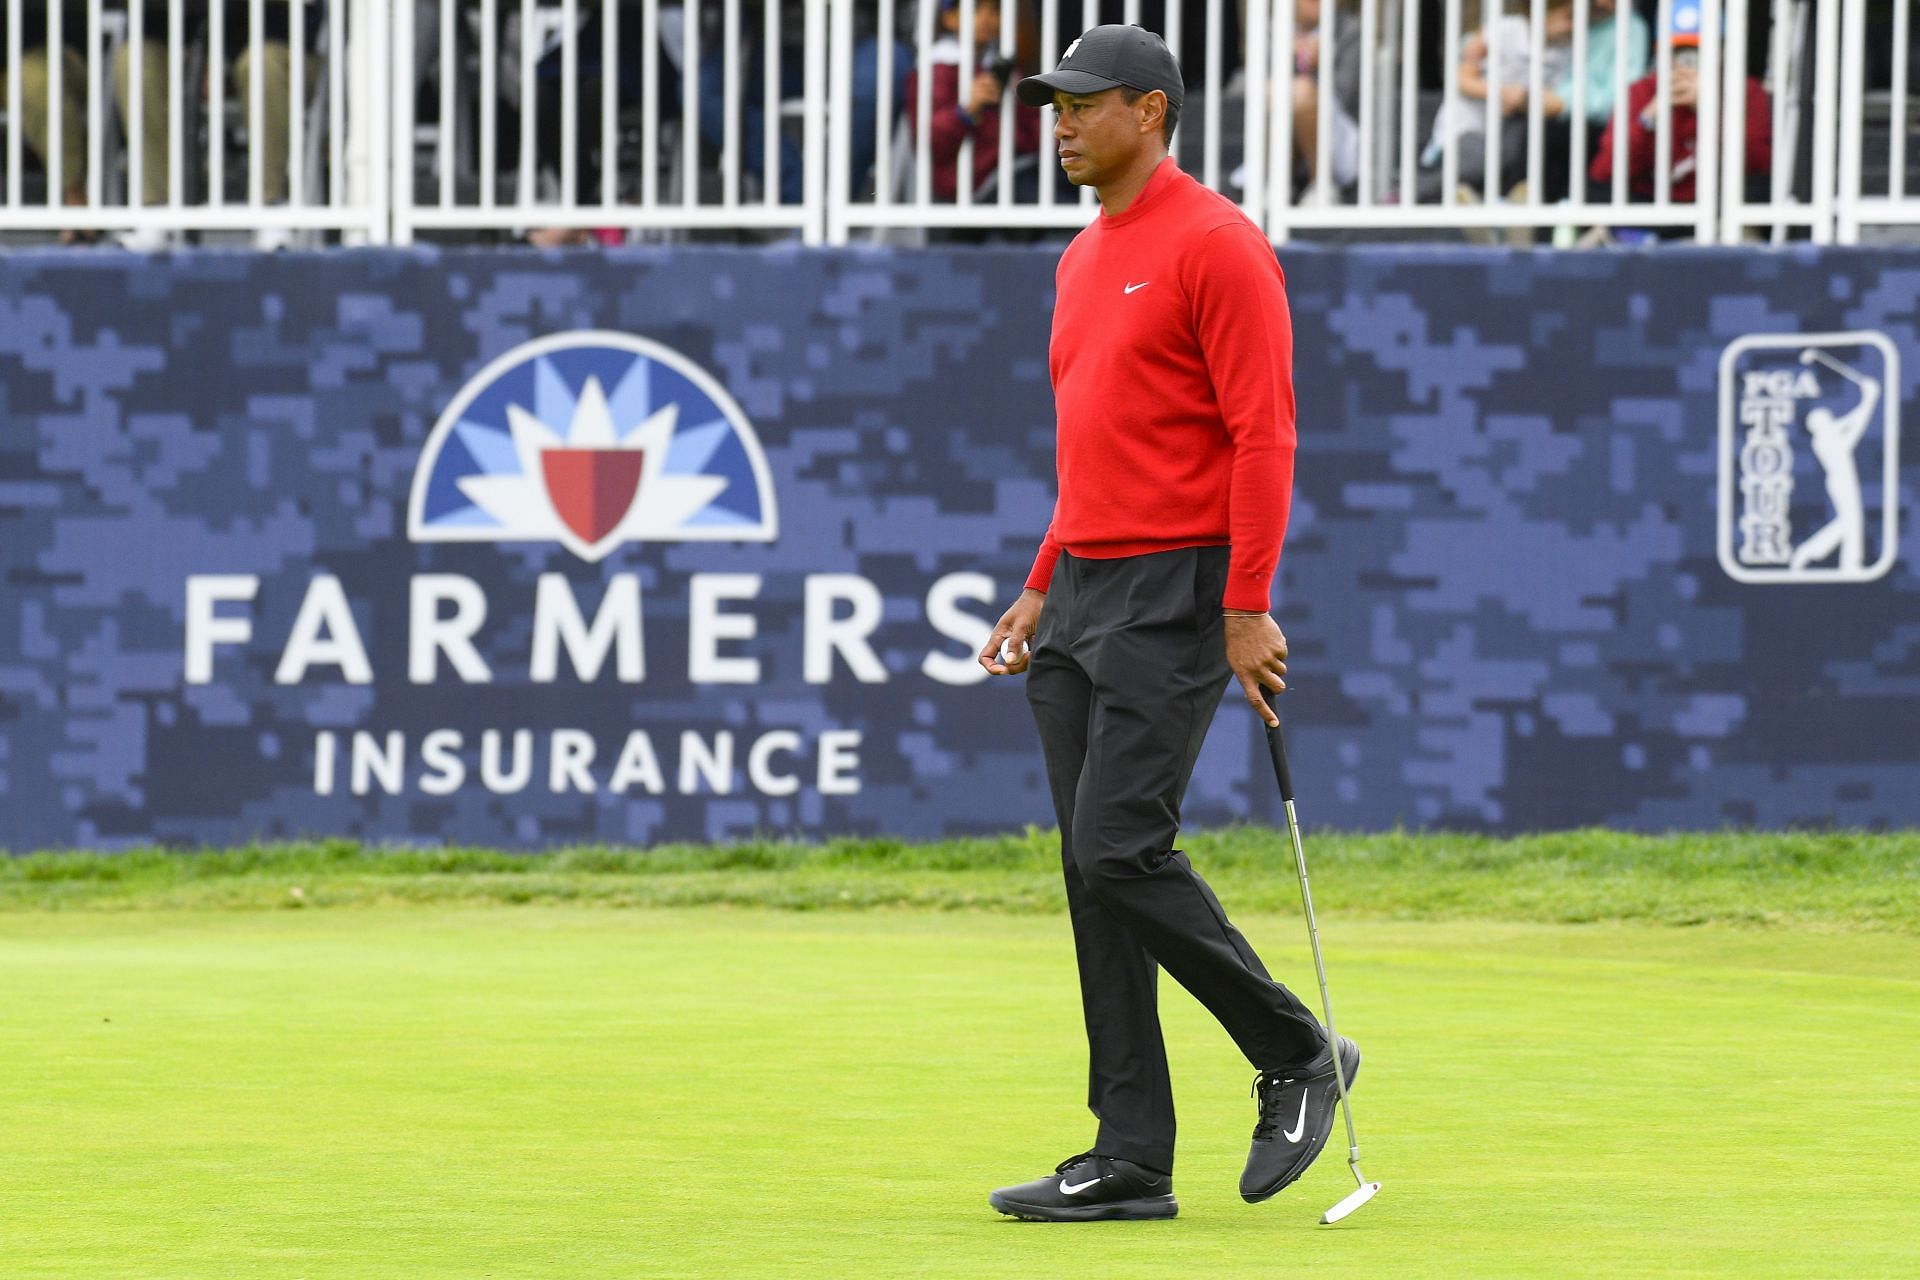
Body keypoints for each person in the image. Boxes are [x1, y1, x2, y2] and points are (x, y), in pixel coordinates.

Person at [975, 23, 1359, 1223]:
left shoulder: (1219, 245)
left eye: (1083, 105)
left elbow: (1266, 434)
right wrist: (1044, 575)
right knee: (1095, 876)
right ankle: (1131, 1149)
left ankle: (1298, 1048)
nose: (1060, 123)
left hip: (1179, 591)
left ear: (1150, 111)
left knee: (1119, 846)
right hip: (1083, 586)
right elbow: (1097, 444)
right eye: (1053, 106)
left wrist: (1245, 602)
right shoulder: (1084, 256)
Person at [1589, 0, 1771, 216]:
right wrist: (1648, 118)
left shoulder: (1747, 91)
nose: (1687, 63)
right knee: (1596, 192)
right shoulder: (1642, 92)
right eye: (1678, 51)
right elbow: (1604, 172)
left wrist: (1712, 112)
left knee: (1762, 189)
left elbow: (1762, 164)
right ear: (1661, 53)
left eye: (1697, 51)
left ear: (1722, 50)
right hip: (1653, 206)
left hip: (1718, 206)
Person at [1417, 0, 1574, 204]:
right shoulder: (1503, 31)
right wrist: (1501, 93)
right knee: (1477, 162)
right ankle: (1412, 193)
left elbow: (1554, 101)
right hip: (1468, 126)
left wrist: (1522, 101)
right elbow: (1461, 79)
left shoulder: (1567, 51)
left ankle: (1493, 205)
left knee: (1518, 154)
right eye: (1567, 17)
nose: (1572, 26)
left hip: (1509, 128)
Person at [903, 0, 1042, 202]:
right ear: (949, 18)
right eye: (976, 9)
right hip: (975, 181)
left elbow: (1032, 127)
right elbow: (929, 140)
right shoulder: (936, 70)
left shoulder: (1000, 67)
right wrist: (965, 110)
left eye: (995, 10)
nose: (987, 19)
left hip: (1018, 167)